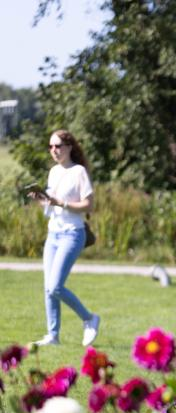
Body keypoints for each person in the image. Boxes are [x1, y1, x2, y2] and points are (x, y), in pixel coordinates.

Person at [27, 130, 100, 347]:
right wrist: (40, 199)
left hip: (72, 234)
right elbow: (52, 203)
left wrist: (63, 204)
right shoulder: (53, 172)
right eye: (50, 147)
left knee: (56, 286)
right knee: (48, 287)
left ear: (69, 147)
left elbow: (89, 205)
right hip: (54, 234)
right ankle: (53, 336)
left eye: (58, 146)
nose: (54, 150)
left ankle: (89, 319)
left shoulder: (79, 172)